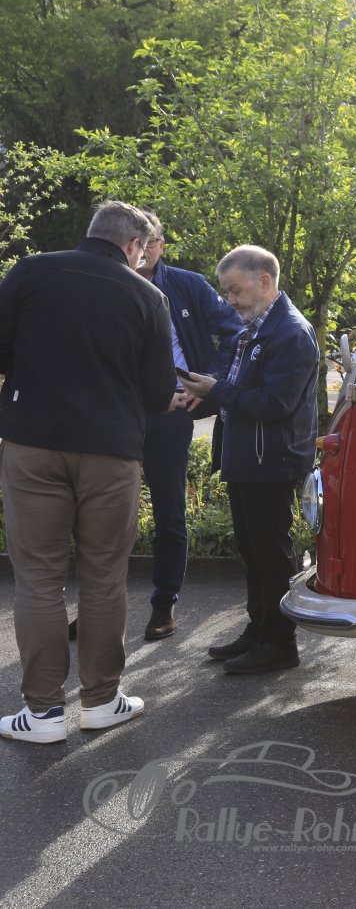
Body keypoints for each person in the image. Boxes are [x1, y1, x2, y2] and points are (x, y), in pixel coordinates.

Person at [0, 201, 175, 743]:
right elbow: (158, 393)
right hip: (110, 451)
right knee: (104, 579)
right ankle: (100, 702)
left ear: (92, 232)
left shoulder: (30, 271)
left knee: (38, 579)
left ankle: (43, 713)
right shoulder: (148, 297)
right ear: (134, 245)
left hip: (32, 443)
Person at [178, 245, 318, 674]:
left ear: (264, 281)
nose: (230, 301)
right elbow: (239, 390)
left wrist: (215, 390)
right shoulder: (255, 329)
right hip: (248, 458)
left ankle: (279, 644)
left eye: (235, 290)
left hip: (270, 461)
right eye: (226, 292)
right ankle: (258, 632)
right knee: (253, 550)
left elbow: (275, 403)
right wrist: (205, 392)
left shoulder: (290, 332)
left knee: (270, 554)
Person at [131, 212, 245, 640]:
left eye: (152, 241)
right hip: (117, 414)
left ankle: (164, 604)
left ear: (161, 244)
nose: (144, 249)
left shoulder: (187, 284)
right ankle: (95, 607)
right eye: (138, 241)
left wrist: (208, 382)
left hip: (172, 411)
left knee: (169, 512)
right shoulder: (108, 285)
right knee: (101, 515)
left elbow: (235, 332)